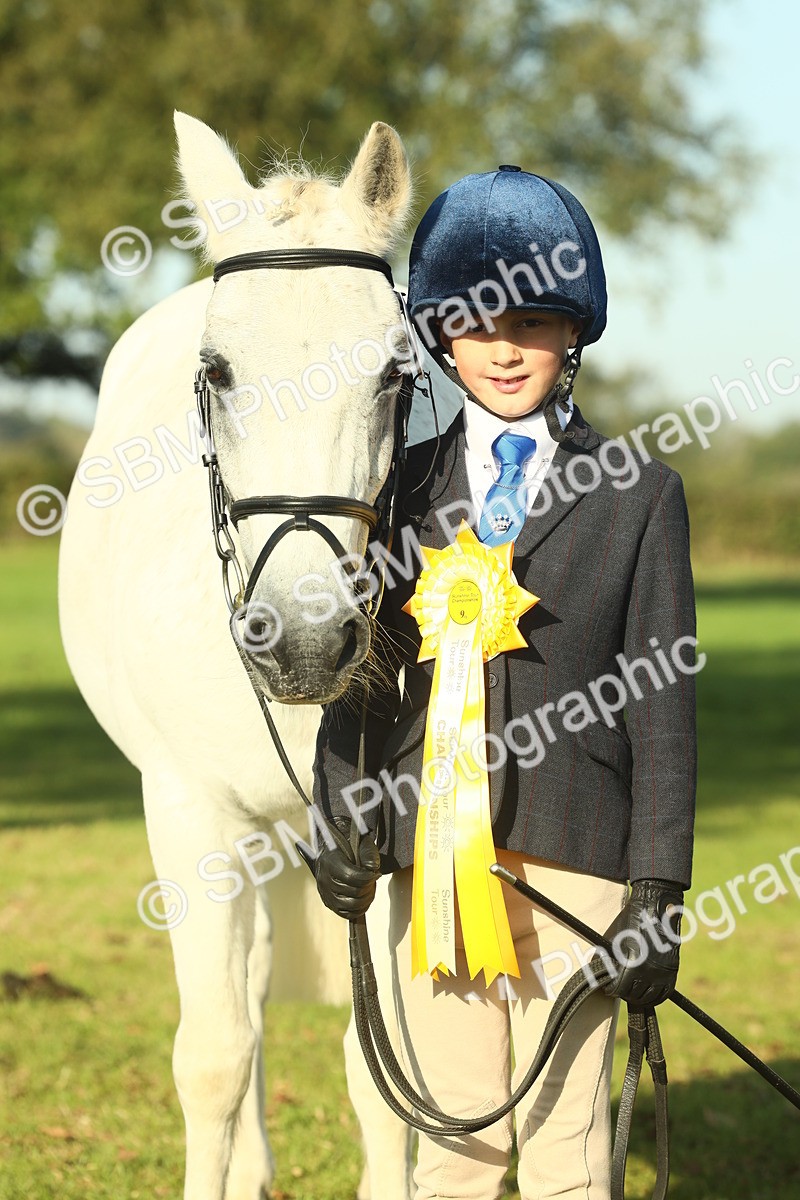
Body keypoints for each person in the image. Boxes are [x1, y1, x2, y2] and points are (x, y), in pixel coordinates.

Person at [312, 165, 697, 1200]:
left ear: (573, 333)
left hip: (579, 857)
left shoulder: (639, 494)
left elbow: (664, 710)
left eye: (531, 322)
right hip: (429, 866)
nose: (503, 347)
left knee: (567, 1140)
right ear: (441, 335)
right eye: (477, 324)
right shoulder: (395, 494)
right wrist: (335, 817)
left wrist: (657, 889)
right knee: (453, 1144)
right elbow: (359, 683)